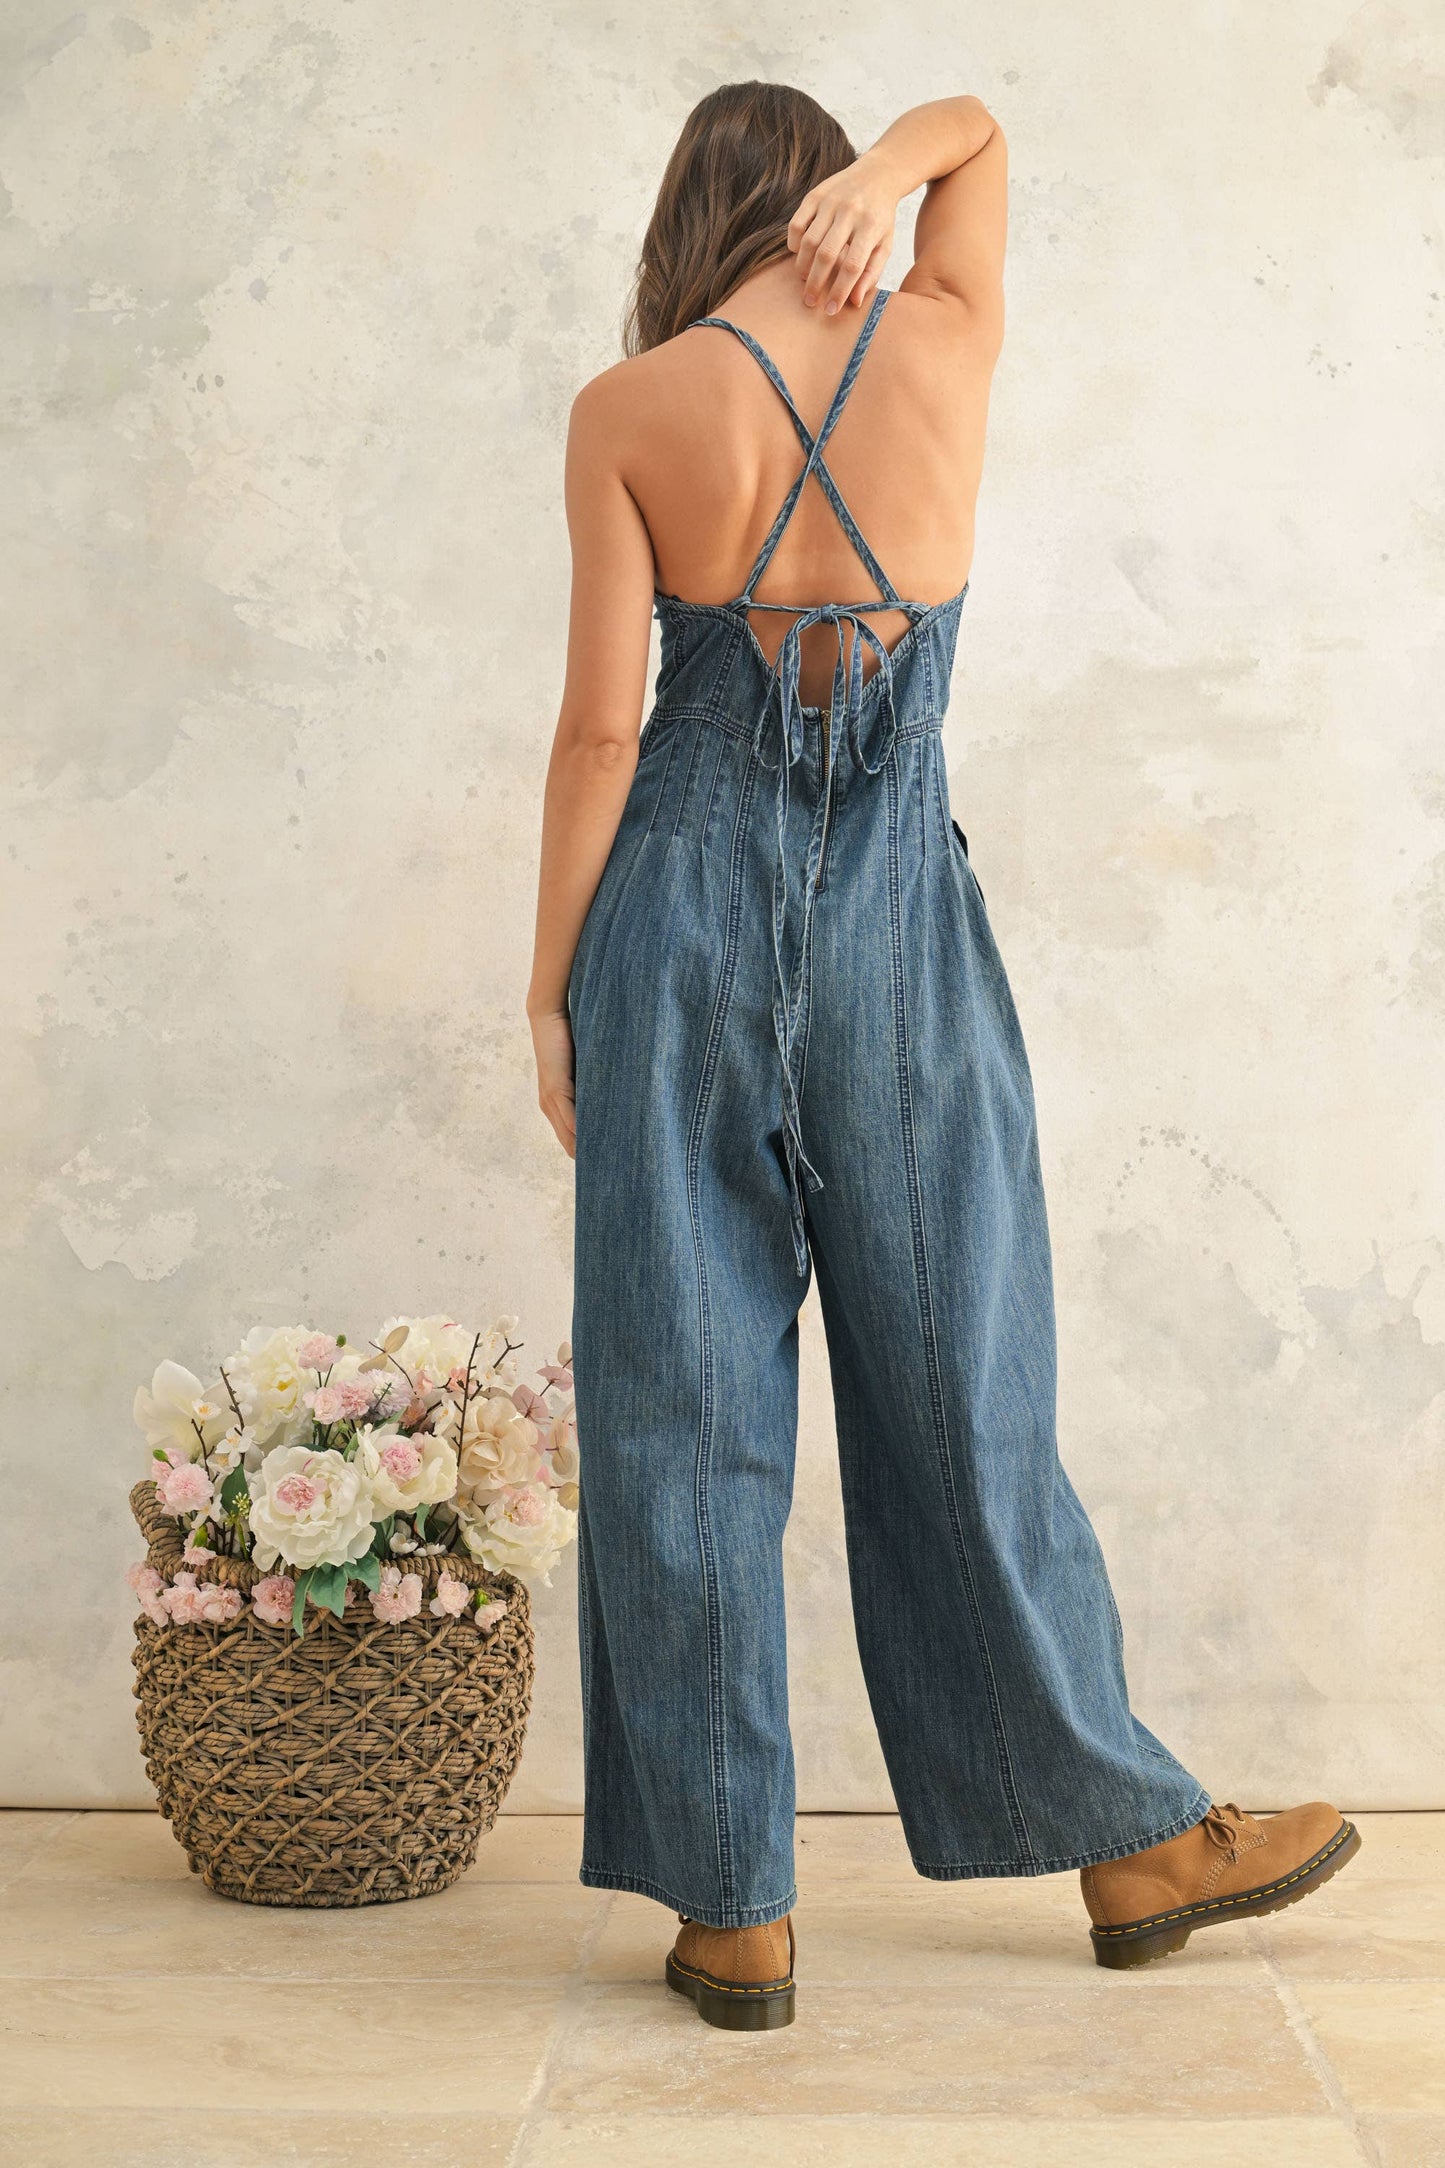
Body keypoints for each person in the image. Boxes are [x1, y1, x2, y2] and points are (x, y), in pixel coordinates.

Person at [527, 82, 1358, 2031]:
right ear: (820, 199)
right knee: (964, 1385)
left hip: (679, 918)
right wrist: (896, 177)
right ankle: (1129, 1841)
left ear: (684, 216)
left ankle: (734, 1905)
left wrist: (555, 993)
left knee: (683, 1397)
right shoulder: (948, 346)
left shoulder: (628, 412)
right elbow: (983, 130)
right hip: (901, 923)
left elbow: (591, 739)